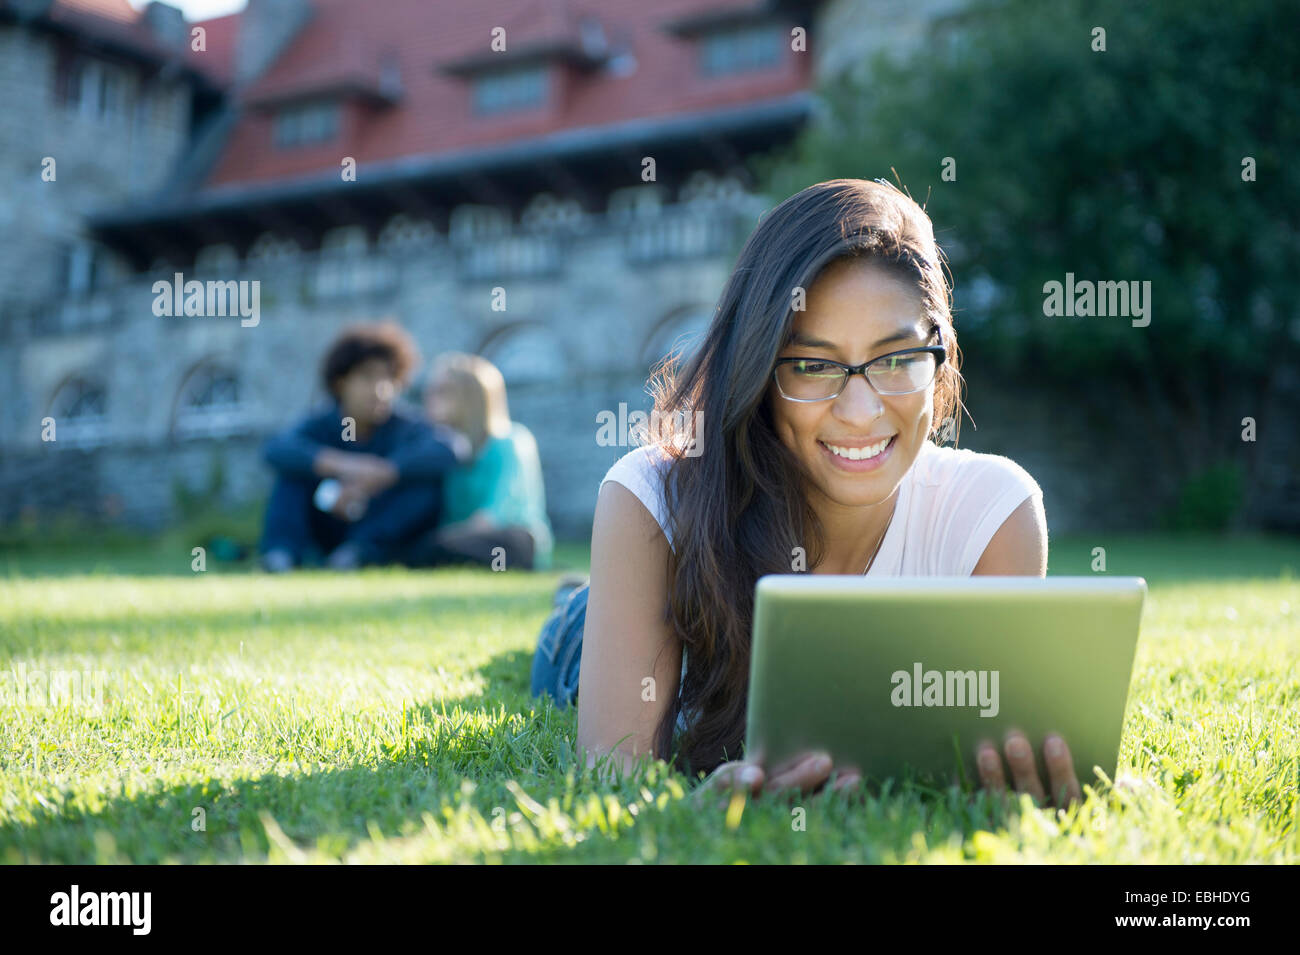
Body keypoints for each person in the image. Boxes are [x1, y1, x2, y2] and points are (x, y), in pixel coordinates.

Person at [531, 178, 1082, 810]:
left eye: (897, 358)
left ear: (942, 357)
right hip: (579, 640)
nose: (859, 410)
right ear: (759, 370)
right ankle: (576, 599)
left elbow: (982, 746)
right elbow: (612, 776)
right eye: (813, 366)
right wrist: (697, 813)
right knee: (578, 621)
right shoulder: (651, 498)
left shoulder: (994, 513)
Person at [259, 321, 468, 571]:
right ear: (341, 383)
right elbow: (275, 449)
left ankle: (357, 554)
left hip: (380, 529)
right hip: (328, 520)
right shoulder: (321, 423)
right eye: (367, 377)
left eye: (389, 378)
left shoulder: (406, 425)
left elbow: (451, 447)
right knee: (291, 477)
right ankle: (281, 555)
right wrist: (344, 468)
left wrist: (384, 473)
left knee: (424, 487)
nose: (380, 390)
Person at [408, 352, 554, 571]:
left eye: (443, 392)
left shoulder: (510, 441)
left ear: (470, 397)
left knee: (435, 548)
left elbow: (492, 517)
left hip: (514, 540)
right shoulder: (450, 451)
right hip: (464, 539)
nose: (429, 399)